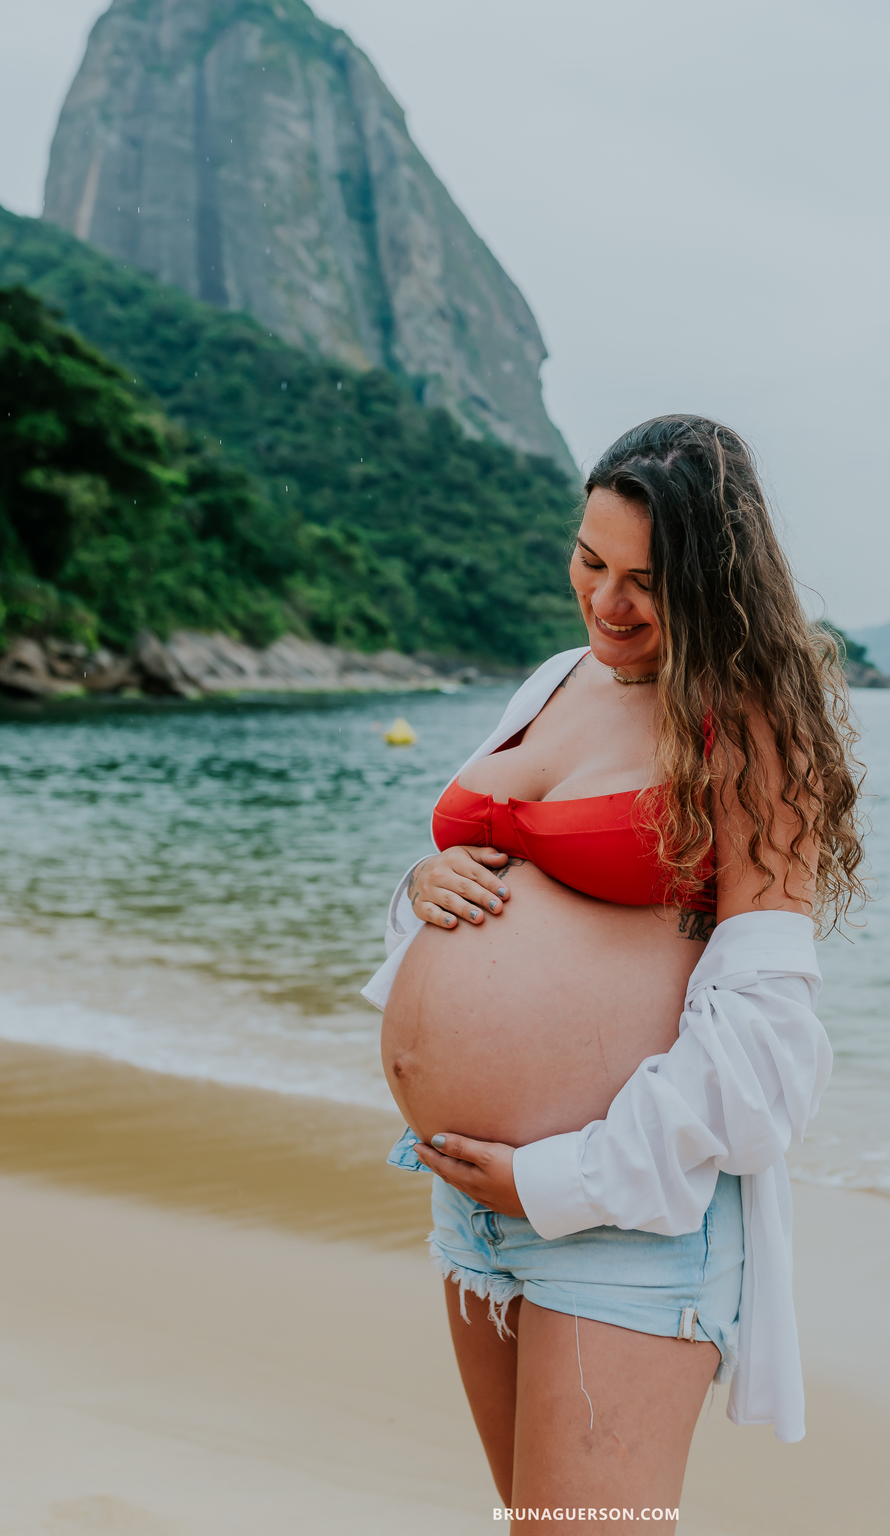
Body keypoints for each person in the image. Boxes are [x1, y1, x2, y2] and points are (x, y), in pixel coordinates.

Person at [363, 414, 864, 1517]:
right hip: (470, 1207)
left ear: (718, 584)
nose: (608, 602)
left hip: (617, 1224)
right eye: (591, 561)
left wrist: (559, 1183)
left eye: (648, 580)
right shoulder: (553, 680)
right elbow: (481, 878)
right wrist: (417, 887)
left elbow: (766, 1058)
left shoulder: (750, 738)